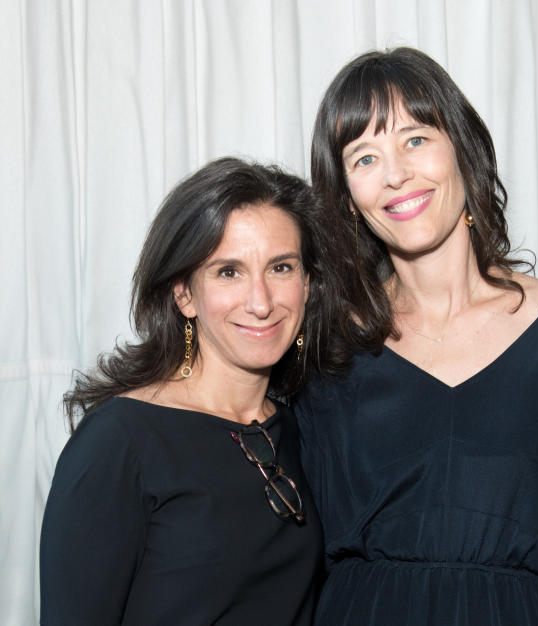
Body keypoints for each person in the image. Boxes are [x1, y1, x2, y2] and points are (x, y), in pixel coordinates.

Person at [297, 47, 538, 625]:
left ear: (463, 148)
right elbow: (291, 563)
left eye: (415, 139)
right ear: (347, 199)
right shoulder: (327, 347)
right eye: (364, 157)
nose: (395, 174)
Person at [40, 157, 348, 625]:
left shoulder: (301, 429)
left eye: (281, 267)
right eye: (229, 271)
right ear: (184, 293)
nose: (261, 302)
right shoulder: (120, 443)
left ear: (307, 284)